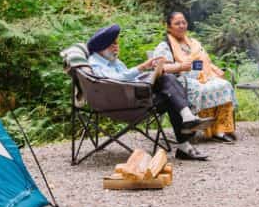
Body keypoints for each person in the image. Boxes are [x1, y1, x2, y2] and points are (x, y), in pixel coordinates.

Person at [87, 24, 212, 161]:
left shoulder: (112, 60)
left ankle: (187, 120)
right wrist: (141, 68)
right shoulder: (95, 63)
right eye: (113, 44)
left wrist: (150, 74)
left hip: (132, 96)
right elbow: (113, 81)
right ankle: (186, 131)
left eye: (117, 43)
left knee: (167, 81)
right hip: (123, 105)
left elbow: (127, 78)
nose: (116, 47)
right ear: (101, 47)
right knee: (170, 91)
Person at [151, 11, 238, 143]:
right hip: (177, 81)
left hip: (201, 76)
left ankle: (220, 129)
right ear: (169, 27)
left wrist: (214, 69)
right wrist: (180, 66)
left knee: (224, 84)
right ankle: (190, 125)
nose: (181, 26)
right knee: (197, 87)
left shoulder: (193, 43)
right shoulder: (165, 46)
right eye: (177, 23)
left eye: (183, 22)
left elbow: (204, 61)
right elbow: (161, 68)